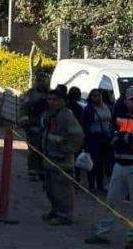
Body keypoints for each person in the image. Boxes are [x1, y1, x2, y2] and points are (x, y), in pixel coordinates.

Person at [86, 86, 133, 248]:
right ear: (126, 101)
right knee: (111, 201)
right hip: (119, 165)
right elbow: (112, 137)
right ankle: (102, 233)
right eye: (131, 100)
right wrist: (125, 138)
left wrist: (121, 137)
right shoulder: (120, 117)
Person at [41, 86, 84, 225]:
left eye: (55, 99)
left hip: (62, 159)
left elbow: (77, 135)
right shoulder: (50, 114)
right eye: (49, 99)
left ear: (61, 101)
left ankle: (65, 215)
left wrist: (67, 149)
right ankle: (55, 210)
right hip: (49, 156)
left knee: (62, 189)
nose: (51, 102)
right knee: (50, 188)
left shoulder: (66, 115)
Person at [18, 70, 50, 180]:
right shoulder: (30, 94)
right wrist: (26, 123)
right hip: (33, 125)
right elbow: (23, 109)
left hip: (46, 126)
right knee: (34, 150)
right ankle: (32, 171)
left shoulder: (50, 94)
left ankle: (42, 171)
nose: (41, 83)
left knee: (44, 150)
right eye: (39, 80)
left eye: (43, 81)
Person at [81, 88, 113, 192]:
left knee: (103, 162)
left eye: (98, 95)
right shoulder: (89, 109)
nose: (96, 98)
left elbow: (111, 121)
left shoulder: (107, 107)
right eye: (94, 96)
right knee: (92, 162)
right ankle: (91, 184)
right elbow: (84, 125)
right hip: (93, 138)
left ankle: (100, 184)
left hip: (106, 138)